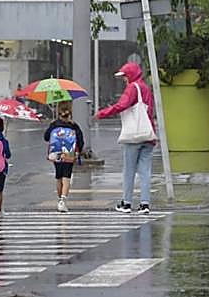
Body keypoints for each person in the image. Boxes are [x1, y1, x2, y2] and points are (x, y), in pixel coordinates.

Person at [95, 61, 156, 214]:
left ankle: (126, 202)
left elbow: (122, 105)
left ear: (130, 75)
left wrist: (102, 113)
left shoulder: (132, 88)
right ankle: (145, 203)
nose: (124, 79)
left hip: (134, 136)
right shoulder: (145, 89)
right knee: (145, 171)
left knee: (129, 170)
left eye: (125, 76)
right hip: (148, 134)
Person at [43, 100, 84, 213]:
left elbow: (46, 137)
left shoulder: (54, 124)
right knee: (66, 177)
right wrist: (78, 152)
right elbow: (80, 141)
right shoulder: (74, 126)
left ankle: (59, 199)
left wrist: (52, 126)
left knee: (59, 177)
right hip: (69, 154)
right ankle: (63, 200)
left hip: (55, 154)